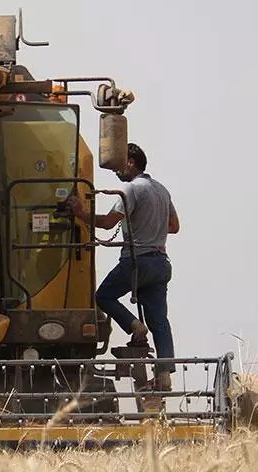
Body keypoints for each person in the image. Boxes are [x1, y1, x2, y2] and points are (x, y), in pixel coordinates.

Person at [68, 142, 180, 390]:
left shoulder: (131, 190)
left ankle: (134, 327)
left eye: (120, 164)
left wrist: (80, 214)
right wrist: (151, 227)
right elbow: (174, 226)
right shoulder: (161, 190)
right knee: (160, 321)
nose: (117, 169)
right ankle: (164, 376)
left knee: (103, 296)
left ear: (130, 163)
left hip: (136, 261)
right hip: (160, 263)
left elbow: (108, 223)